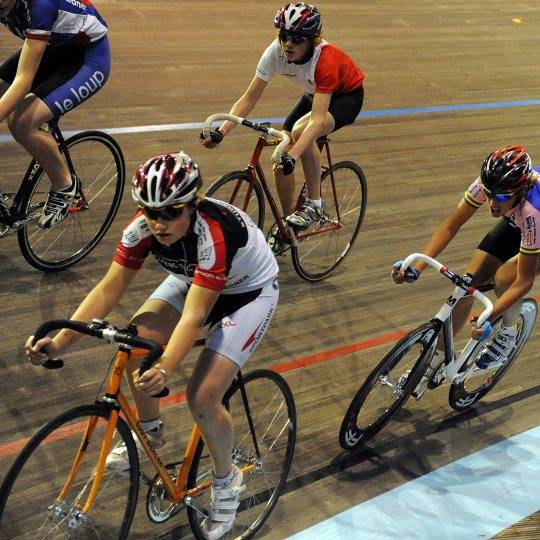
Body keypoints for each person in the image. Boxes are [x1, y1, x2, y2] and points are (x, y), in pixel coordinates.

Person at [25, 151, 279, 539]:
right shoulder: (141, 229)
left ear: (193, 204)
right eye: (150, 211)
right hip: (194, 278)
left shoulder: (212, 233)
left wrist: (166, 367)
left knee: (203, 397)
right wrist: (59, 343)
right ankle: (150, 431)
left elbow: (195, 315)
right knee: (135, 346)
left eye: (171, 212)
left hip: (248, 293)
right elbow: (108, 288)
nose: (159, 223)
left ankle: (227, 483)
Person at [200, 2, 364, 239]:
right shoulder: (274, 52)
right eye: (284, 36)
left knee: (299, 132)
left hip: (346, 97)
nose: (288, 44)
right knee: (280, 158)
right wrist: (222, 132)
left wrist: (294, 155)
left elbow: (317, 121)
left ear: (314, 40)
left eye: (296, 39)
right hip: (314, 93)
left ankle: (315, 204)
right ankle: (288, 227)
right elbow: (248, 99)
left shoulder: (325, 60)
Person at [392, 145, 539, 397]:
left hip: (535, 226)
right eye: (489, 194)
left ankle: (507, 334)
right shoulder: (491, 183)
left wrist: (489, 316)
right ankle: (431, 363)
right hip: (517, 221)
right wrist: (417, 266)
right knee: (466, 284)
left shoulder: (533, 210)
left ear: (521, 191)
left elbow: (524, 282)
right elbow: (451, 225)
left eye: (500, 197)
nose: (492, 202)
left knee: (505, 277)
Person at [0, 0, 111, 228]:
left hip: (88, 58)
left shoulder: (41, 6)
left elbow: (23, 81)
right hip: (53, 45)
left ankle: (64, 185)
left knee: (22, 122)